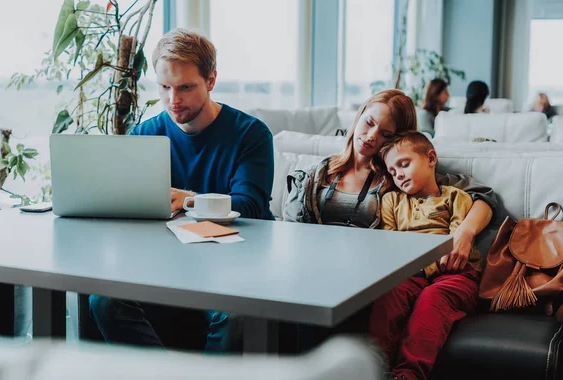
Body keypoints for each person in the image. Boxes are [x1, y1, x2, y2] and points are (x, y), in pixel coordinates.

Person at [89, 28, 275, 352]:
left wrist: (187, 199)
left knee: (234, 315)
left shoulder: (251, 134)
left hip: (234, 262)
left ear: (211, 80)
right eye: (164, 87)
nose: (173, 100)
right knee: (103, 300)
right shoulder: (145, 135)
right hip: (164, 261)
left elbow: (251, 206)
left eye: (186, 87)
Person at [282, 89, 495, 361]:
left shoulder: (400, 178)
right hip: (312, 273)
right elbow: (291, 231)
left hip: (361, 282)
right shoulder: (317, 174)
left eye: (385, 134)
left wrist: (464, 232)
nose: (372, 136)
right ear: (359, 116)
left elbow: (484, 196)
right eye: (369, 123)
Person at [371, 131, 482, 380]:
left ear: (431, 158)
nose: (398, 174)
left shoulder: (456, 196)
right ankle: (372, 369)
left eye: (404, 164)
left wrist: (425, 268)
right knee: (389, 293)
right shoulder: (391, 201)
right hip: (410, 272)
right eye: (392, 171)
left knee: (432, 297)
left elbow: (453, 245)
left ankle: (409, 374)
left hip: (456, 274)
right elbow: (390, 243)